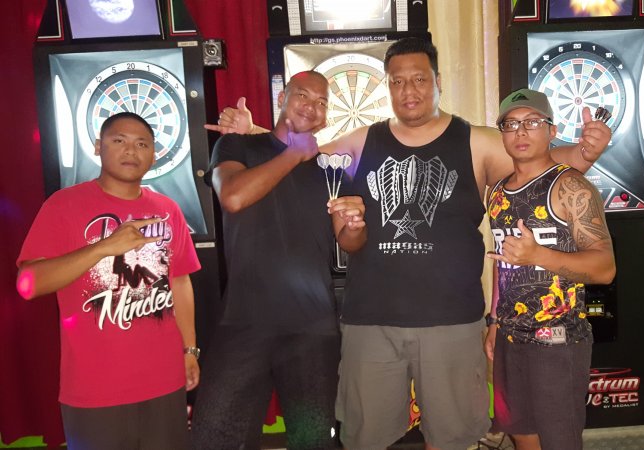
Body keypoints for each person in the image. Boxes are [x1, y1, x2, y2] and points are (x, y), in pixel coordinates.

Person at [211, 37, 611, 450]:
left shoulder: (475, 141)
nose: (409, 90)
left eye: (419, 79)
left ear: (437, 81)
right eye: (397, 81)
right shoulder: (362, 140)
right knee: (367, 438)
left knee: (451, 438)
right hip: (371, 322)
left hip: (452, 322)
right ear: (388, 86)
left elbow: (539, 161)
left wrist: (586, 152)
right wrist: (254, 131)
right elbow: (306, 154)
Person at [191, 71, 366, 450]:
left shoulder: (331, 168)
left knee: (313, 440)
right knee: (215, 436)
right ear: (282, 97)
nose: (312, 106)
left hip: (312, 327)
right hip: (244, 320)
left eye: (322, 102)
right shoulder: (238, 145)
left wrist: (356, 224)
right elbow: (233, 197)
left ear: (326, 116)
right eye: (303, 95)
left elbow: (350, 242)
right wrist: (293, 153)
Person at [16, 112, 201, 450]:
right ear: (98, 147)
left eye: (142, 144)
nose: (131, 150)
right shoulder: (63, 205)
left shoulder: (168, 209)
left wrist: (190, 349)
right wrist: (103, 248)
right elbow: (28, 284)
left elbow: (180, 282)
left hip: (164, 381)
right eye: (119, 141)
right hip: (95, 390)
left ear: (154, 155)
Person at [484, 88, 616, 450]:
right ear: (502, 134)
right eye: (511, 124)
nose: (521, 131)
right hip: (510, 338)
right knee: (521, 435)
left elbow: (605, 268)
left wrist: (538, 255)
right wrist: (494, 322)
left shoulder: (571, 186)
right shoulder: (497, 193)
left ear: (552, 131)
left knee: (559, 441)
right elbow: (502, 262)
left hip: (557, 342)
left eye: (532, 122)